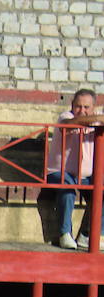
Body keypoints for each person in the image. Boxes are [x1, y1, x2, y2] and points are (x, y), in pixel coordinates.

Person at [46, 89, 98, 250]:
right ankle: (65, 234)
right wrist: (95, 119)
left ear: (94, 108)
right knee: (67, 188)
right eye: (78, 106)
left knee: (102, 191)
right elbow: (68, 125)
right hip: (59, 171)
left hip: (86, 175)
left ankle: (87, 235)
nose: (81, 111)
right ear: (72, 105)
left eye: (86, 107)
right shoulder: (66, 116)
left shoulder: (97, 120)